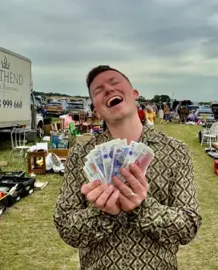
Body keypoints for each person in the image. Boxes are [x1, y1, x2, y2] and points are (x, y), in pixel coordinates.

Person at [54, 65, 202, 270]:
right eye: (98, 90)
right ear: (96, 110)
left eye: (114, 83)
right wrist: (104, 213)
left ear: (134, 94)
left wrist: (142, 207)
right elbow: (65, 227)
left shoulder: (176, 151)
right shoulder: (81, 156)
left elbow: (188, 226)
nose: (108, 89)